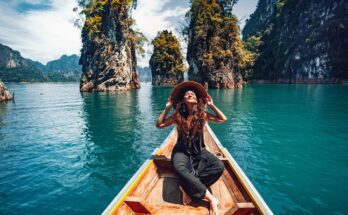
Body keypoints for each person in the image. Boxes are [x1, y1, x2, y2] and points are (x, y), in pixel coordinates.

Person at [156, 81, 227, 215]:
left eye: (192, 93)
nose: (190, 94)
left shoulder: (203, 114)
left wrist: (212, 105)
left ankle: (187, 188)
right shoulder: (178, 115)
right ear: (183, 100)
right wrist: (167, 108)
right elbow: (159, 124)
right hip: (181, 152)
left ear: (196, 99)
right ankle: (211, 199)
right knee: (179, 168)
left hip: (199, 151)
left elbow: (223, 118)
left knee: (219, 166)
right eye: (187, 94)